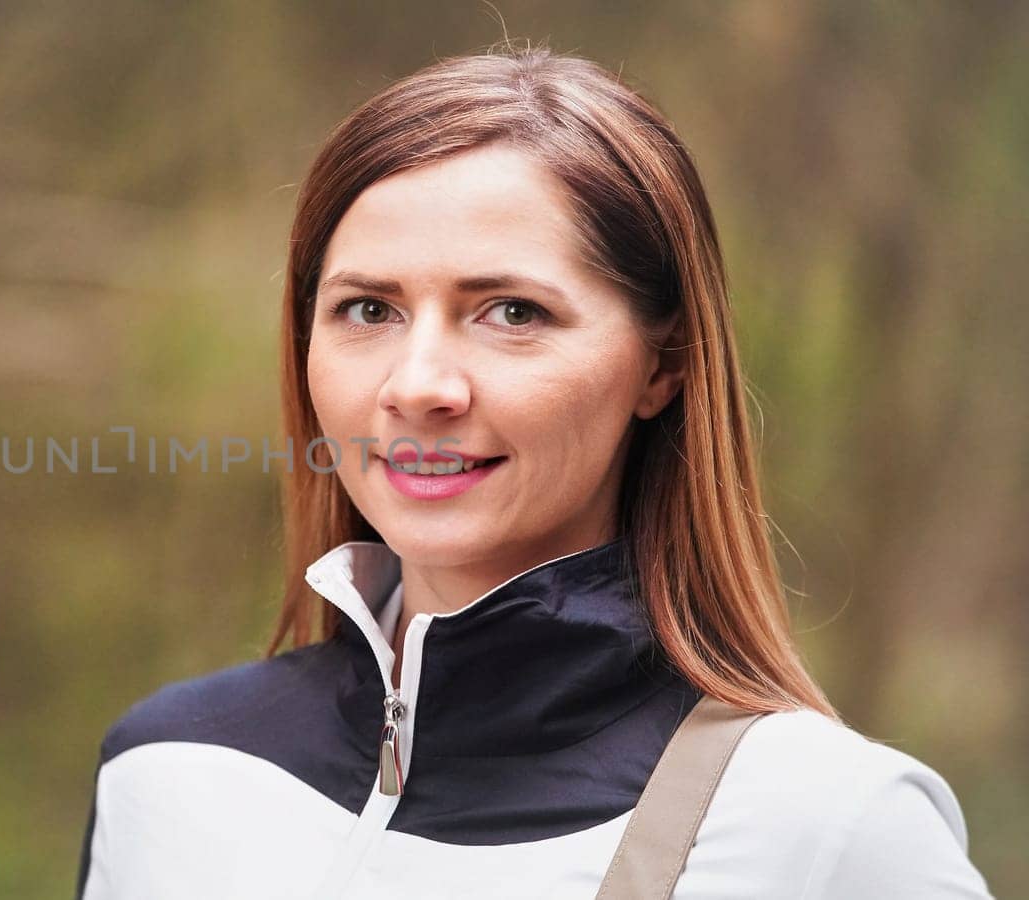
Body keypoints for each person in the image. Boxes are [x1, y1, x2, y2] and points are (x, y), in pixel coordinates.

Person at [72, 47, 995, 899]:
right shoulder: (168, 773)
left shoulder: (829, 828)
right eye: (367, 309)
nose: (419, 385)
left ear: (663, 362)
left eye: (511, 311)